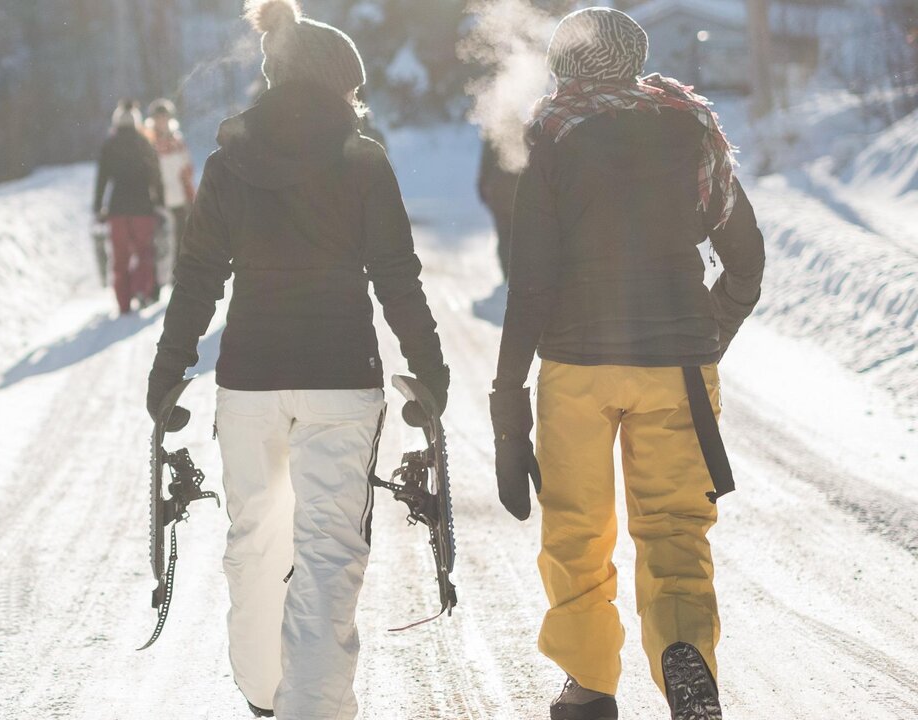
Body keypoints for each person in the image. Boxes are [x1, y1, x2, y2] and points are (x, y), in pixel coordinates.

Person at [145, 1, 448, 717]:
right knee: (328, 553)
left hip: (249, 382)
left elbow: (197, 276)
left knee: (255, 543)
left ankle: (265, 698)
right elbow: (397, 276)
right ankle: (310, 707)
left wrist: (168, 369)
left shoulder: (228, 162)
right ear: (340, 82)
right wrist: (429, 368)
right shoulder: (363, 160)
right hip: (341, 379)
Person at [488, 8, 764, 720]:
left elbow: (532, 281)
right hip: (677, 368)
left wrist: (507, 395)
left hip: (577, 369)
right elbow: (746, 263)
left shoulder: (554, 133)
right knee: (675, 528)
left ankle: (588, 685)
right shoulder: (693, 128)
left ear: (564, 65)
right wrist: (705, 338)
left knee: (577, 528)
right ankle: (685, 655)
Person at [93, 99, 164, 314]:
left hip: (117, 209)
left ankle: (123, 302)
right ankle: (141, 289)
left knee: (120, 257)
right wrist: (160, 202)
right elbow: (156, 175)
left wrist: (98, 207)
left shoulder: (110, 145)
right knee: (144, 252)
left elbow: (102, 179)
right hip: (143, 208)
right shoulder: (144, 143)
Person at [146, 99, 197, 301]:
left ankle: (177, 282)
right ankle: (155, 285)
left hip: (180, 199)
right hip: (158, 201)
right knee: (159, 245)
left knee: (180, 243)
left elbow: (188, 168)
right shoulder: (149, 143)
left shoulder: (177, 141)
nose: (162, 121)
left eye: (165, 117)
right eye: (158, 118)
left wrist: (189, 192)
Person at [477, 138, 520, 281]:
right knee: (519, 235)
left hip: (498, 191)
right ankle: (516, 272)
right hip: (517, 190)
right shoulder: (526, 128)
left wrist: (482, 187)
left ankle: (507, 272)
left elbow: (485, 163)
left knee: (504, 234)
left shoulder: (494, 132)